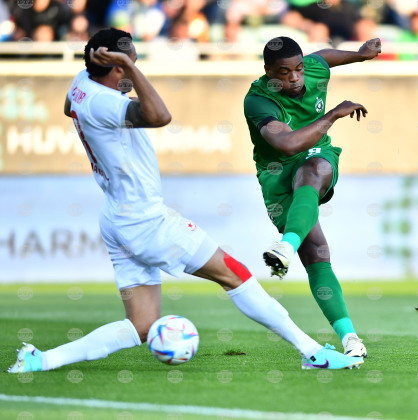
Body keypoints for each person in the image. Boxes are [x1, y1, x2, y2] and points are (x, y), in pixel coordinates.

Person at [8, 28, 363, 373]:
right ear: (116, 67)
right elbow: (159, 116)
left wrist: (119, 73)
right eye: (132, 63)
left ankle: (42, 360)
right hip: (145, 219)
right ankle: (312, 352)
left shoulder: (81, 86)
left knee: (142, 326)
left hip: (116, 218)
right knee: (235, 274)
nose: (136, 68)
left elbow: (69, 106)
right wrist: (129, 69)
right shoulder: (105, 103)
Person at [243, 36, 382, 358]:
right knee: (317, 253)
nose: (295, 78)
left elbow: (324, 57)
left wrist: (359, 55)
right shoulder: (258, 100)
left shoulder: (313, 68)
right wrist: (332, 115)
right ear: (268, 71)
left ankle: (285, 247)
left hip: (316, 154)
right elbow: (288, 144)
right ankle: (350, 339)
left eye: (299, 69)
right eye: (284, 72)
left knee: (312, 169)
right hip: (277, 172)